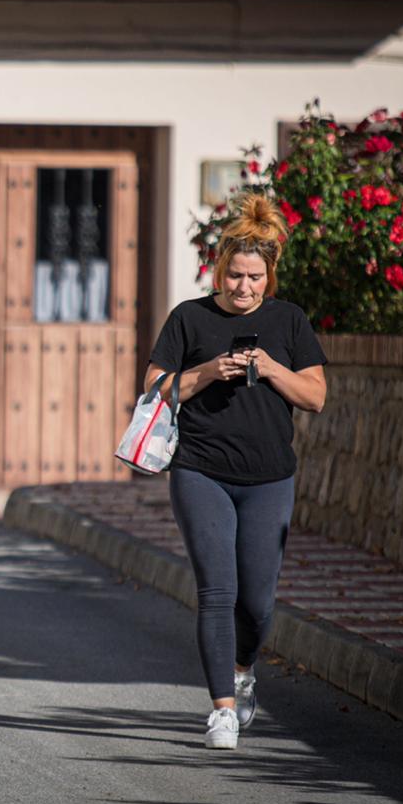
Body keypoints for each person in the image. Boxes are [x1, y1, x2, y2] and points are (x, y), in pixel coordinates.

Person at [144, 193, 327, 749]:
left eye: (254, 277)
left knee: (259, 602)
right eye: (234, 275)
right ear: (218, 269)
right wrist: (204, 371)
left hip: (270, 477)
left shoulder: (288, 321)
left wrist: (271, 369)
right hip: (200, 470)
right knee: (217, 590)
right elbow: (154, 386)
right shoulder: (189, 318)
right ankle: (221, 708)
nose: (243, 287)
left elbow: (316, 397)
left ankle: (245, 671)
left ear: (268, 277)